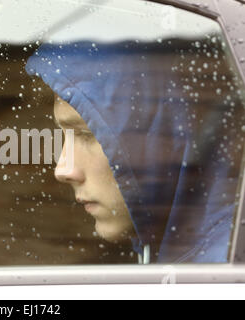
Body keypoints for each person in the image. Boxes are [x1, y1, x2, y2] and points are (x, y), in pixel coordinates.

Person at [26, 39, 245, 263]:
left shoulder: (220, 272)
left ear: (161, 134)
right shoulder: (187, 251)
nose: (63, 169)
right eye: (64, 136)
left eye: (87, 135)